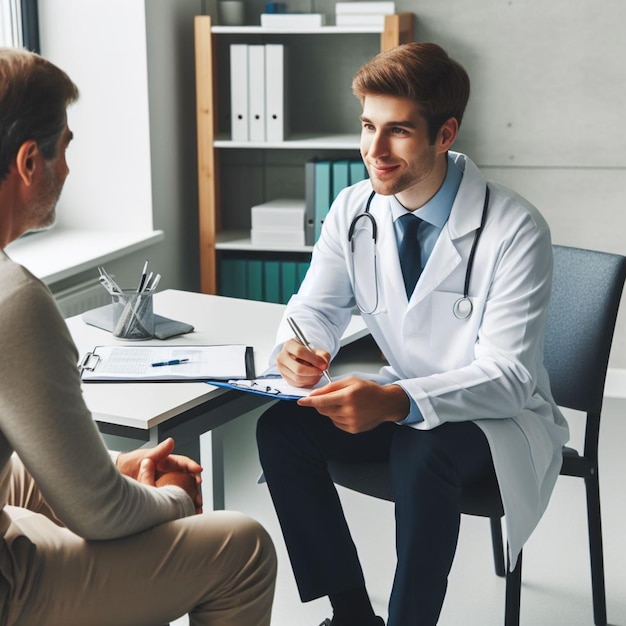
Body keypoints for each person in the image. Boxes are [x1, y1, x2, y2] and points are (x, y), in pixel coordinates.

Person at [256, 42, 570, 626]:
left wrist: (397, 401)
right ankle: (351, 613)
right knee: (281, 428)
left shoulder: (514, 229)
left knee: (423, 448)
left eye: (397, 131)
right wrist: (296, 349)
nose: (374, 151)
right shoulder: (354, 210)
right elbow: (314, 308)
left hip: (496, 421)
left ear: (444, 133)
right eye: (367, 126)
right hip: (403, 402)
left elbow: (509, 379)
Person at [0, 47, 276, 625]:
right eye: (65, 147)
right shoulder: (13, 298)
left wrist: (116, 466)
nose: (69, 168)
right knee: (244, 549)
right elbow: (99, 516)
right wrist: (175, 499)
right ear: (29, 160)